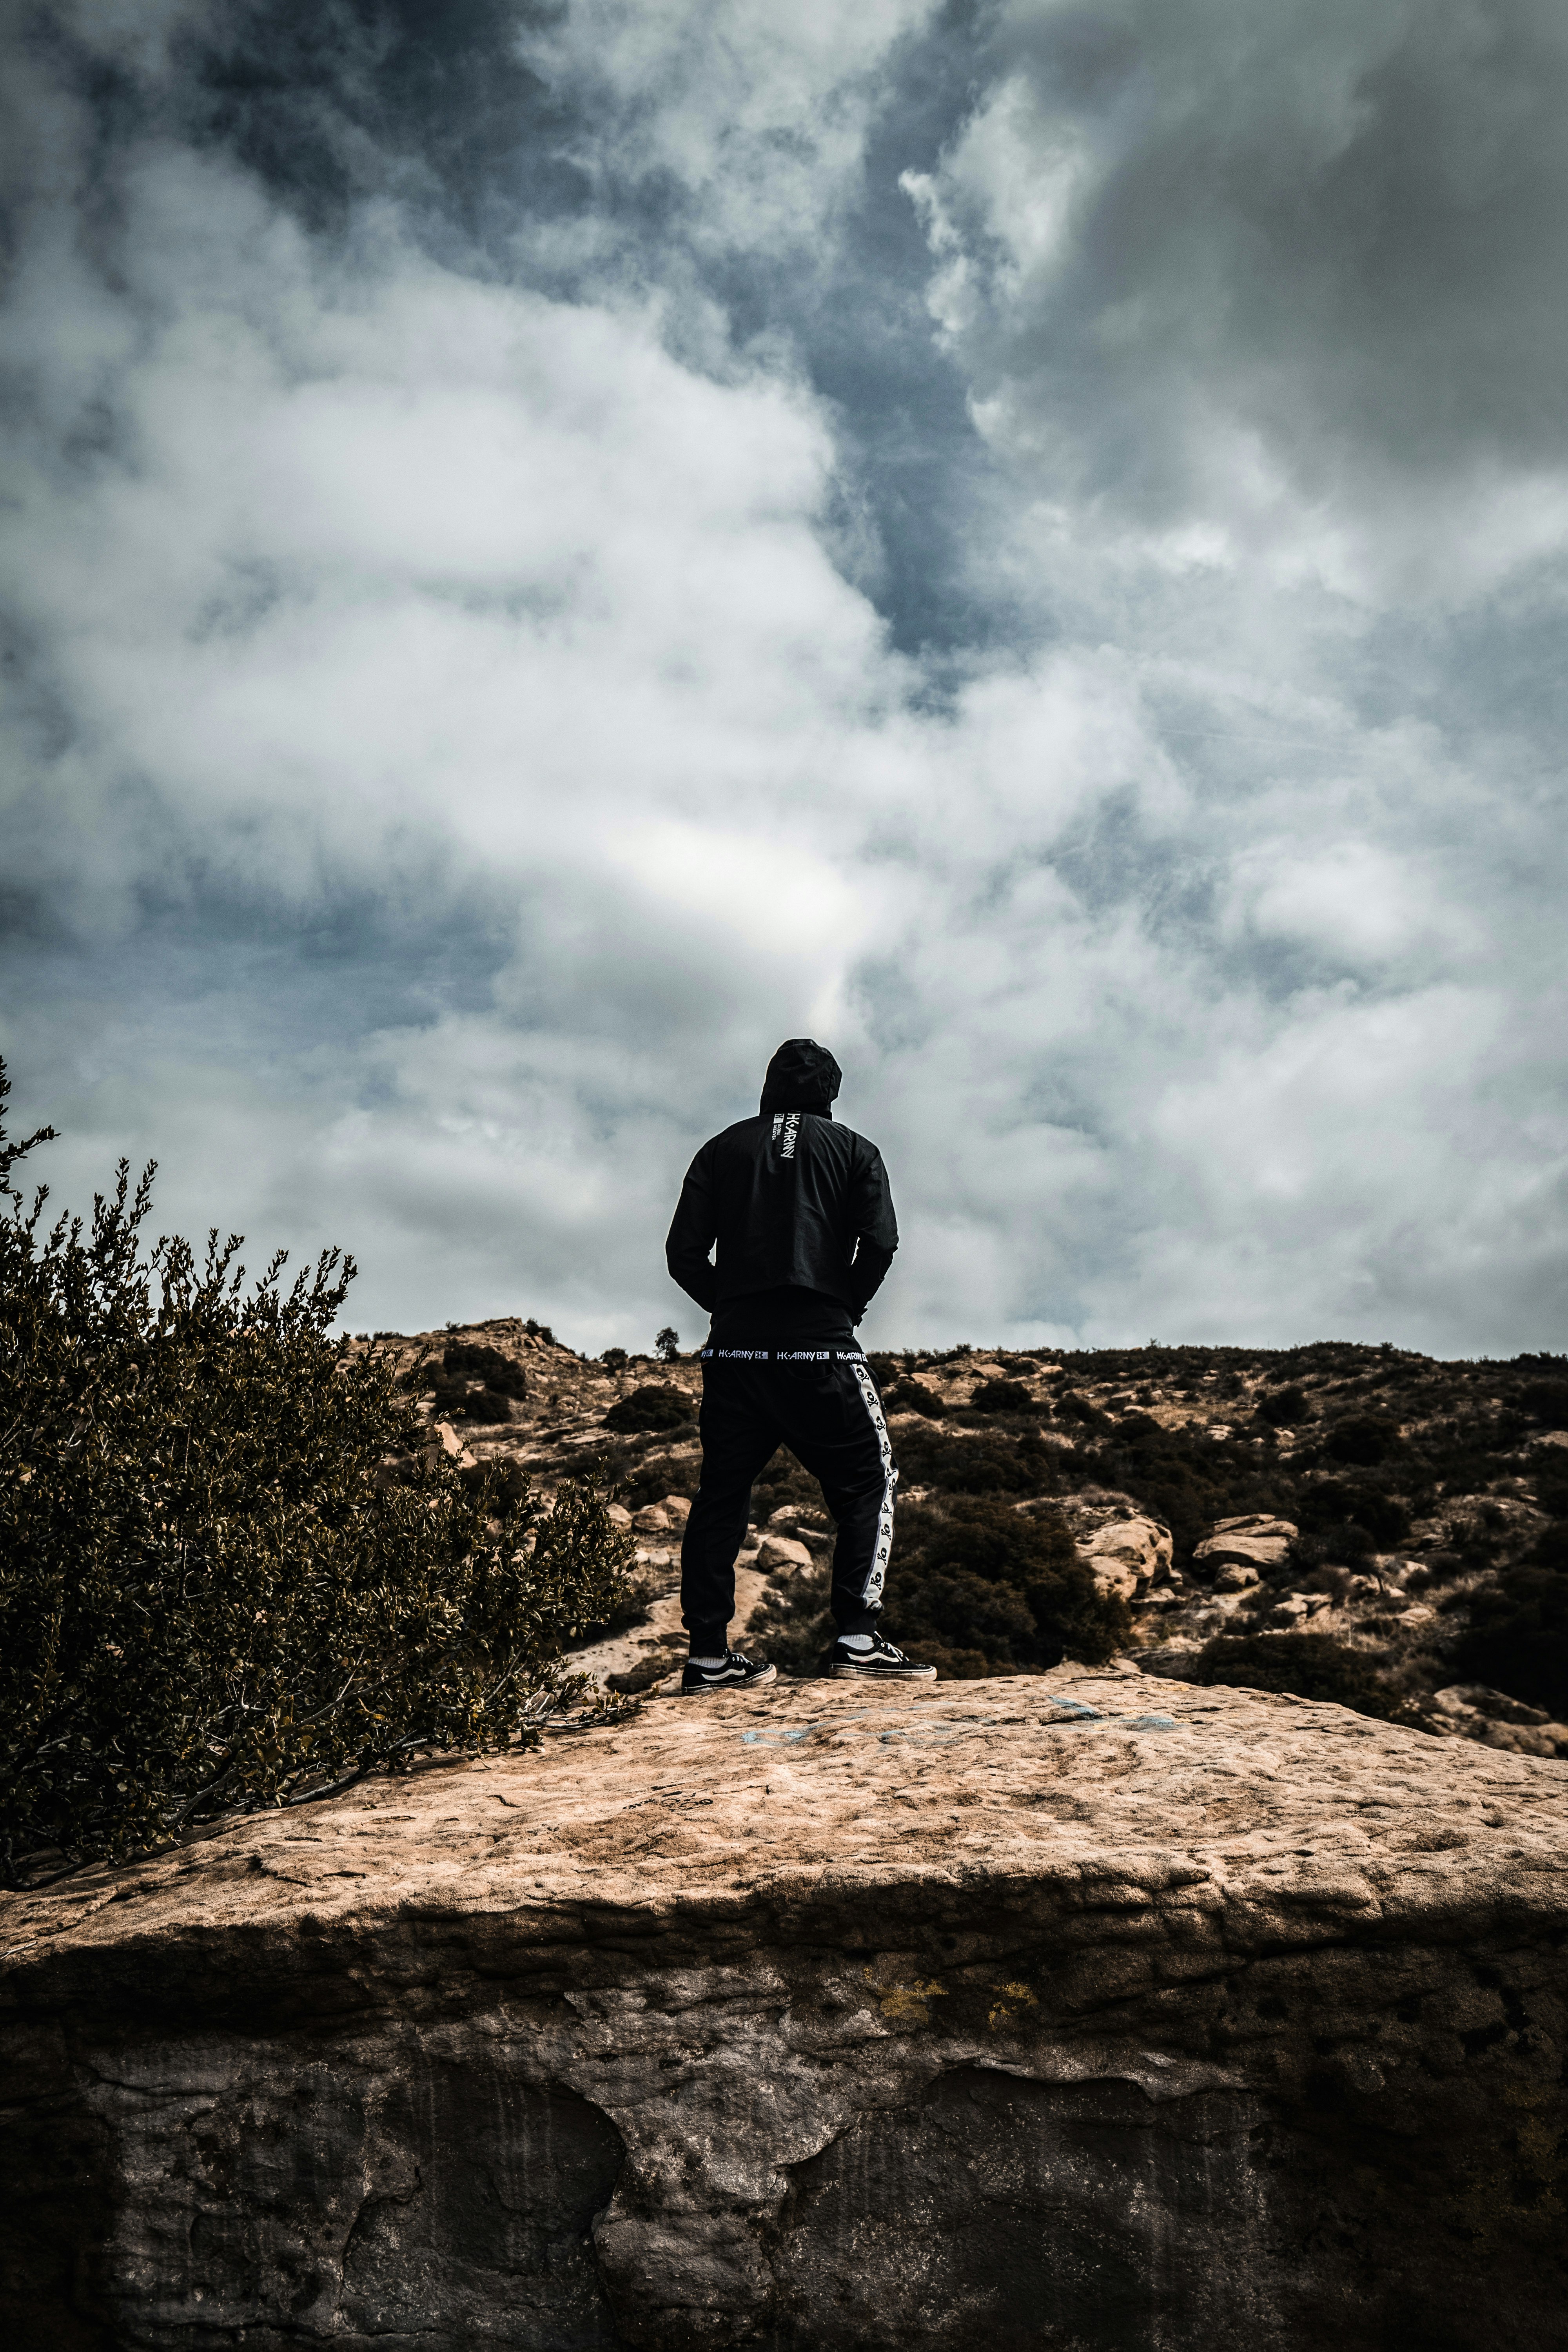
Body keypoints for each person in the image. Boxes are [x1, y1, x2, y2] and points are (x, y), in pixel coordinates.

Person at [664, 1037, 936, 1692]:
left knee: (721, 1499)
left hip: (735, 1355)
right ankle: (857, 1639)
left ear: (769, 1086)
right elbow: (881, 1243)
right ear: (830, 1092)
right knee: (869, 1483)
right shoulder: (856, 1151)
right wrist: (846, 1307)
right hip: (820, 1348)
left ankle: (707, 1658)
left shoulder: (721, 1148)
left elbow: (683, 1254)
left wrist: (731, 1306)